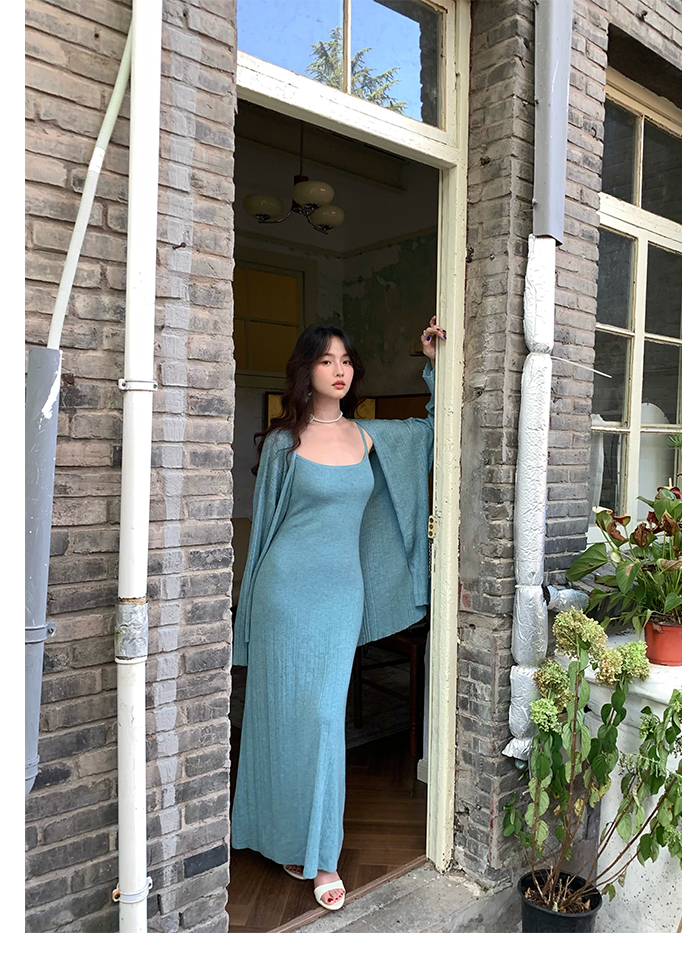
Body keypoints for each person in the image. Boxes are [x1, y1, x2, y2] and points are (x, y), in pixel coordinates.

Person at [231, 318, 447, 911]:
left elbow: (433, 434)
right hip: (283, 595)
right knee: (282, 718)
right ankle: (287, 839)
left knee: (325, 718)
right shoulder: (284, 443)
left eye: (346, 360)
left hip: (339, 597)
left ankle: (322, 853)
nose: (339, 369)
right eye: (326, 360)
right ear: (307, 370)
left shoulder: (368, 436)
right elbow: (264, 532)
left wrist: (431, 364)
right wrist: (247, 616)